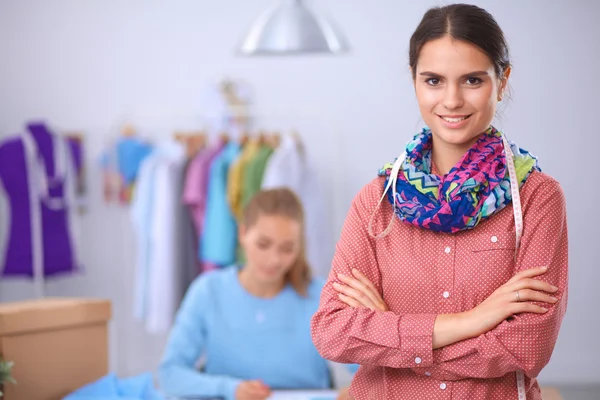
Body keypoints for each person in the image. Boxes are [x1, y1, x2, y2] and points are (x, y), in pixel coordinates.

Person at [310, 4, 568, 400]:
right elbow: (331, 332)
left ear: (502, 82)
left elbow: (526, 347)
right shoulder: (375, 202)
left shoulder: (537, 198)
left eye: (471, 80)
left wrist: (391, 332)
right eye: (433, 80)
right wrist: (473, 321)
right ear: (413, 81)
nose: (451, 100)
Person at [159, 188, 356, 400]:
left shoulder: (320, 294)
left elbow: (369, 369)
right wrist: (229, 389)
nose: (274, 260)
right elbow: (170, 374)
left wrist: (356, 391)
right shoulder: (208, 291)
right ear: (243, 233)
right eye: (263, 245)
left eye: (287, 248)